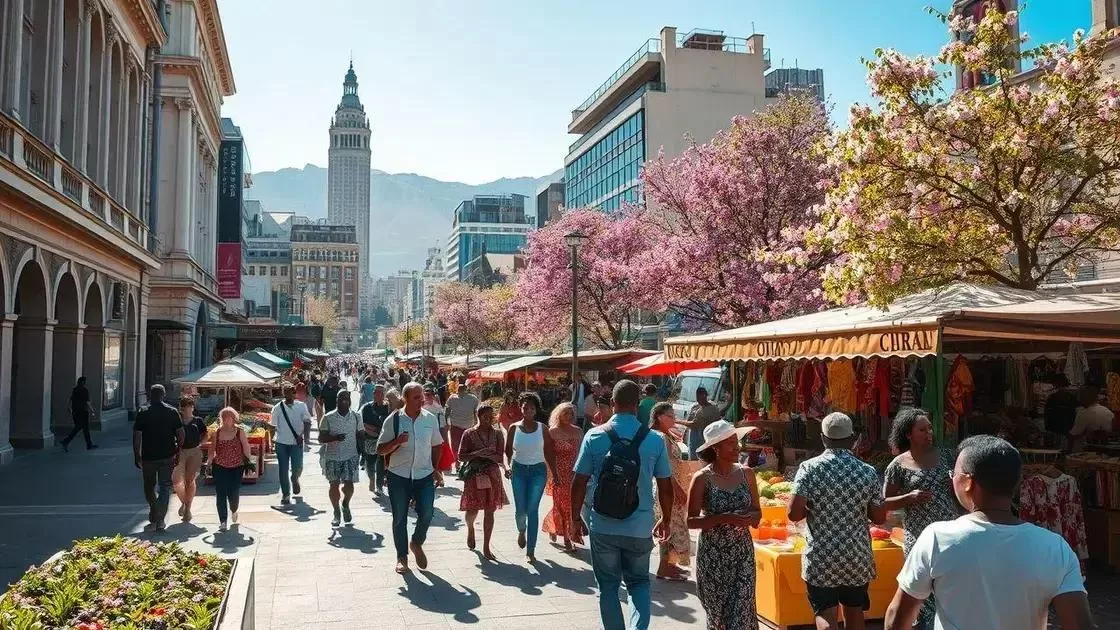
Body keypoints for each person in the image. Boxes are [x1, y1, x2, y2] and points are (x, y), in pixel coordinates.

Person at [884, 435, 1093, 630]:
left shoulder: (937, 538)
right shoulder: (1055, 547)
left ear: (967, 482)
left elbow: (897, 617)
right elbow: (1080, 624)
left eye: (953, 474)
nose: (951, 479)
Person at [571, 380, 673, 630]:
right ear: (637, 405)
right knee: (639, 583)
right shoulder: (655, 440)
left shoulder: (593, 436)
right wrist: (666, 519)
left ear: (613, 404)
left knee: (608, 587)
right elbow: (665, 485)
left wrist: (574, 518)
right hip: (639, 526)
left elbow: (579, 481)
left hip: (603, 524)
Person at [788, 412, 887, 630]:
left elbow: (793, 514)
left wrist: (815, 506)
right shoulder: (868, 471)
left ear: (823, 438)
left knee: (825, 612)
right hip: (856, 555)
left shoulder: (809, 468)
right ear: (853, 439)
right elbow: (879, 517)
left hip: (822, 556)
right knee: (855, 611)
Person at [882, 408, 960, 629]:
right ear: (908, 434)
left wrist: (954, 485)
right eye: (922, 429)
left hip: (950, 535)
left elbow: (965, 490)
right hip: (918, 538)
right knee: (920, 592)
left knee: (947, 587)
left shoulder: (946, 456)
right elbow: (882, 503)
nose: (929, 433)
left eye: (930, 428)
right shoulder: (898, 465)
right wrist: (909, 498)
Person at [688, 420, 761, 630]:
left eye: (736, 442)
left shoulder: (747, 473)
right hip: (713, 557)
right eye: (730, 443)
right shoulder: (702, 478)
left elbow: (757, 512)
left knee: (742, 612)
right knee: (719, 618)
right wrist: (724, 518)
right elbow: (690, 521)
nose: (737, 447)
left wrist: (750, 518)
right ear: (715, 448)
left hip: (742, 554)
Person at [377, 381, 445, 574]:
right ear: (405, 399)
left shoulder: (430, 419)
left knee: (427, 513)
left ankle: (416, 542)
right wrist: (397, 441)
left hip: (424, 475)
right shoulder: (394, 420)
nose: (421, 400)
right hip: (398, 476)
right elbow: (380, 450)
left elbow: (437, 444)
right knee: (399, 518)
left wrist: (436, 468)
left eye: (422, 396)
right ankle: (402, 557)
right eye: (416, 397)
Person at [504, 392, 557, 563]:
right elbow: (507, 452)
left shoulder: (543, 429)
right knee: (521, 510)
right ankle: (521, 529)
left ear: (536, 410)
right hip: (518, 471)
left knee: (532, 510)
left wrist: (555, 474)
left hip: (538, 472)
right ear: (521, 409)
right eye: (525, 407)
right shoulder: (514, 428)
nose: (528, 410)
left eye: (531, 408)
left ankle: (531, 550)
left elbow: (549, 452)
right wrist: (506, 466)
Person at [457, 402, 508, 560]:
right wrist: (478, 453)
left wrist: (491, 457)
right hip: (474, 474)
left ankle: (486, 546)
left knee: (490, 510)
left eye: (491, 416)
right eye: (485, 416)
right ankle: (471, 528)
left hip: (492, 474)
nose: (488, 419)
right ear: (478, 416)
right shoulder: (469, 433)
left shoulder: (498, 434)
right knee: (472, 509)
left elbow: (501, 456)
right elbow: (461, 456)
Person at [133, 384, 185, 532]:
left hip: (149, 456)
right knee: (165, 486)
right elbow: (181, 435)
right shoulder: (172, 411)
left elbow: (137, 436)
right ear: (163, 395)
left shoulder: (143, 411)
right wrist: (178, 451)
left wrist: (137, 455)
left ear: (150, 394)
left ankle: (155, 510)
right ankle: (160, 518)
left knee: (149, 486)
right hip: (167, 455)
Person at [650, 401, 693, 580]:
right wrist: (677, 489)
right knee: (669, 525)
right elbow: (665, 467)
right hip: (668, 487)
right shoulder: (660, 437)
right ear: (659, 417)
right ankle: (664, 566)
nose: (674, 419)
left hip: (669, 485)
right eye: (670, 416)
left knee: (672, 525)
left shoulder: (665, 435)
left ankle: (669, 565)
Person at [542, 402, 583, 552]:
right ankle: (566, 538)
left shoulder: (578, 432)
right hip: (558, 473)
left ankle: (565, 533)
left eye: (571, 414)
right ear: (558, 414)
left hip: (573, 473)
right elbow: (548, 455)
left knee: (570, 505)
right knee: (561, 505)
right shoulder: (552, 432)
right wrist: (551, 475)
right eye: (566, 413)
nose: (569, 416)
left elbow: (580, 453)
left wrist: (581, 472)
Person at [319, 389, 361, 526]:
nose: (343, 401)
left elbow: (361, 434)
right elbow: (321, 438)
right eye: (340, 398)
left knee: (349, 485)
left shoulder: (356, 416)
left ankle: (345, 504)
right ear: (336, 401)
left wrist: (365, 449)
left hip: (351, 456)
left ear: (350, 401)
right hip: (332, 457)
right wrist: (335, 438)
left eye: (346, 399)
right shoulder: (328, 417)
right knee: (334, 485)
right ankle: (336, 511)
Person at [207, 406, 252, 532]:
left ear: (234, 418)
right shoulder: (217, 433)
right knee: (220, 493)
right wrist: (209, 463)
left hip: (237, 466)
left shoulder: (239, 432)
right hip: (220, 466)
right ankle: (222, 520)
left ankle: (234, 509)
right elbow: (212, 450)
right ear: (221, 419)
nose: (227, 420)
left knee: (234, 492)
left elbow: (246, 447)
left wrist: (249, 461)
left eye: (230, 417)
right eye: (225, 417)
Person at [270, 383, 313, 505]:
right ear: (284, 393)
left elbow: (307, 421)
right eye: (287, 392)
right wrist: (271, 442)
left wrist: (304, 436)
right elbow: (273, 426)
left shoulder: (301, 406)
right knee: (282, 469)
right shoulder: (277, 408)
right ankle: (286, 494)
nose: (290, 394)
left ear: (295, 394)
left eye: (292, 392)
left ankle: (295, 479)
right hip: (281, 443)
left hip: (296, 443)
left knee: (298, 467)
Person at [172, 397, 207, 522]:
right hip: (179, 452)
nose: (187, 409)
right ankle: (185, 503)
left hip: (194, 452)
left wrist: (200, 444)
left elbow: (205, 434)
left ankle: (188, 509)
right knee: (176, 482)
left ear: (193, 407)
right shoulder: (177, 421)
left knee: (189, 480)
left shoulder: (198, 421)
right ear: (181, 408)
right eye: (184, 406)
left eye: (189, 406)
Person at [360, 384, 391, 496]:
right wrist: (377, 431)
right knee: (370, 462)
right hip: (370, 439)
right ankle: (372, 478)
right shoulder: (367, 407)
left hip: (383, 440)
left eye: (380, 392)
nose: (377, 394)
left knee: (381, 462)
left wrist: (381, 433)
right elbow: (364, 425)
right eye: (376, 392)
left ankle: (379, 485)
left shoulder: (388, 408)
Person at [678, 386, 723, 460]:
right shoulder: (695, 407)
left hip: (704, 438)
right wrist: (685, 433)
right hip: (694, 438)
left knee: (701, 458)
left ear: (705, 396)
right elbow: (689, 421)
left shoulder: (711, 408)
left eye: (701, 397)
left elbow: (693, 424)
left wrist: (678, 421)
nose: (699, 400)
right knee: (693, 456)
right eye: (697, 398)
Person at [1069, 384, 1114, 453]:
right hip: (1107, 450)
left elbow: (1074, 434)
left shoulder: (1084, 413)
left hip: (1087, 451)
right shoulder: (1106, 410)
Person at [445, 384, 480, 473]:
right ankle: (461, 463)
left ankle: (460, 463)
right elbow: (476, 412)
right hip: (464, 426)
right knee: (463, 446)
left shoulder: (453, 398)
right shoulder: (472, 398)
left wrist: (445, 421)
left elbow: (447, 411)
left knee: (458, 446)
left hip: (461, 426)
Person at [61, 376, 97, 451]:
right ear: (84, 382)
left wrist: (69, 407)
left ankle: (88, 444)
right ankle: (66, 441)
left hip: (75, 411)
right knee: (83, 428)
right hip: (83, 411)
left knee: (80, 427)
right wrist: (92, 410)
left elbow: (71, 399)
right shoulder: (85, 390)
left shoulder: (75, 390)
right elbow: (87, 402)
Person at [423, 385, 453, 476]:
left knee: (438, 453)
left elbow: (443, 420)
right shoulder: (421, 406)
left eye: (429, 395)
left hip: (437, 432)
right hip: (425, 433)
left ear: (432, 395)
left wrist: (445, 429)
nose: (427, 397)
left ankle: (439, 474)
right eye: (426, 395)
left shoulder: (438, 407)